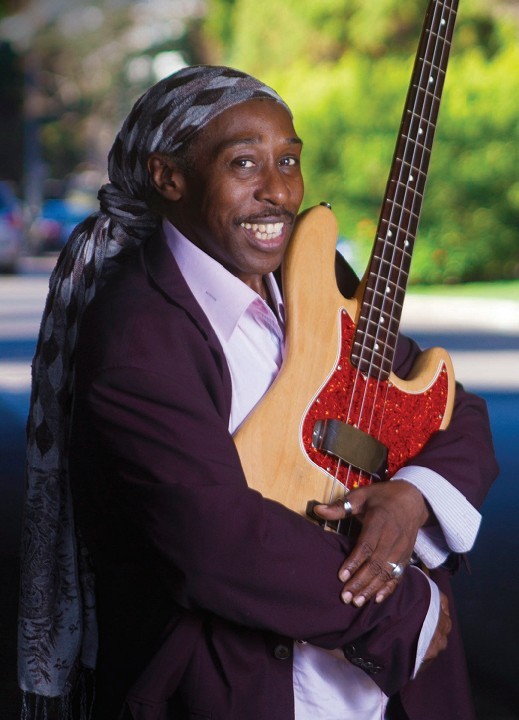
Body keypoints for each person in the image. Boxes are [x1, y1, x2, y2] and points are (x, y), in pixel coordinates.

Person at [18, 65, 498, 720]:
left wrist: (410, 498)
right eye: (244, 163)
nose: (277, 190)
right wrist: (405, 606)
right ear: (169, 177)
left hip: (385, 696)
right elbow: (217, 542)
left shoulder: (312, 274)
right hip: (243, 693)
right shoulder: (139, 337)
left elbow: (451, 409)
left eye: (289, 160)